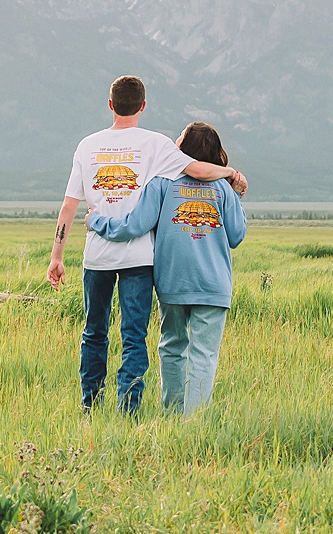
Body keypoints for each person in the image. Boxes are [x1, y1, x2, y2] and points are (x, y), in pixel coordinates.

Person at [47, 77, 244, 414]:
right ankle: (136, 411)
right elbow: (200, 175)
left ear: (111, 105)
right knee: (139, 339)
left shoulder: (91, 147)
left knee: (96, 333)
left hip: (105, 260)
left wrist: (59, 253)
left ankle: (92, 408)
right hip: (149, 263)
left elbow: (72, 207)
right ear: (143, 106)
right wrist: (231, 176)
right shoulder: (158, 145)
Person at [86, 121, 246, 416]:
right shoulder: (223, 188)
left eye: (180, 137)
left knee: (172, 346)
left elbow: (133, 226)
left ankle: (173, 414)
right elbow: (236, 236)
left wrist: (96, 221)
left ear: (184, 147)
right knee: (204, 354)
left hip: (172, 282)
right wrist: (235, 196)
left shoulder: (162, 183)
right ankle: (194, 421)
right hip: (213, 286)